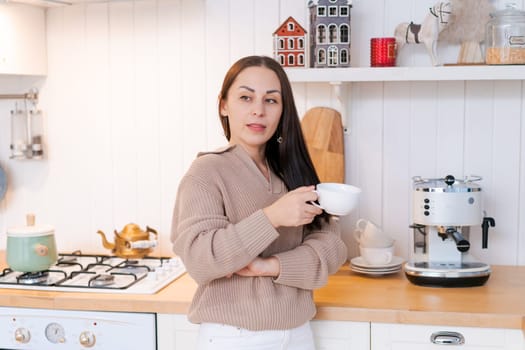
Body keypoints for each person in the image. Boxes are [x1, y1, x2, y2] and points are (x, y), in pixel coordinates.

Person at [170, 55, 348, 350]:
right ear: (224, 105)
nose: (258, 111)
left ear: (282, 110)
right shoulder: (206, 172)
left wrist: (271, 266)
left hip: (298, 333)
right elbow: (201, 260)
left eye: (271, 100)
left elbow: (331, 248)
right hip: (232, 337)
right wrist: (273, 217)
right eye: (245, 97)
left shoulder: (294, 172)